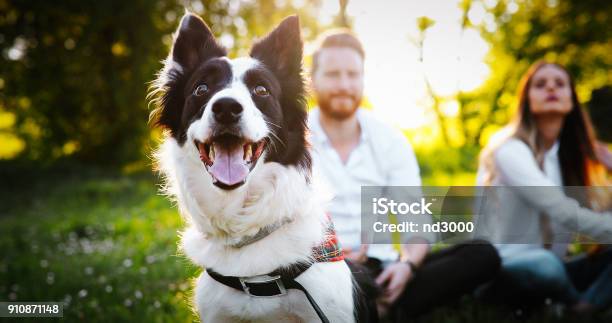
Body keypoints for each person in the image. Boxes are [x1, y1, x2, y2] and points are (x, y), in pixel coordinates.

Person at [308, 29, 500, 321]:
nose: (344, 84)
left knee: (482, 254)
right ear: (312, 80)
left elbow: (416, 222)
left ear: (363, 78)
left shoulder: (390, 140)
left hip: (381, 271)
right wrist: (330, 255)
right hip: (314, 270)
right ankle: (372, 309)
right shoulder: (292, 141)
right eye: (333, 74)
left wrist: (407, 267)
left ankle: (376, 304)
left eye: (353, 74)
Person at [477, 61, 612, 314]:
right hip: (502, 270)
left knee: (554, 265)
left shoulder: (566, 158)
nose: (551, 87)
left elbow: (598, 218)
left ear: (572, 99)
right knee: (545, 266)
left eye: (560, 84)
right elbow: (562, 211)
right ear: (526, 99)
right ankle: (577, 306)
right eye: (540, 84)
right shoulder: (509, 149)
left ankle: (582, 305)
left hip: (557, 268)